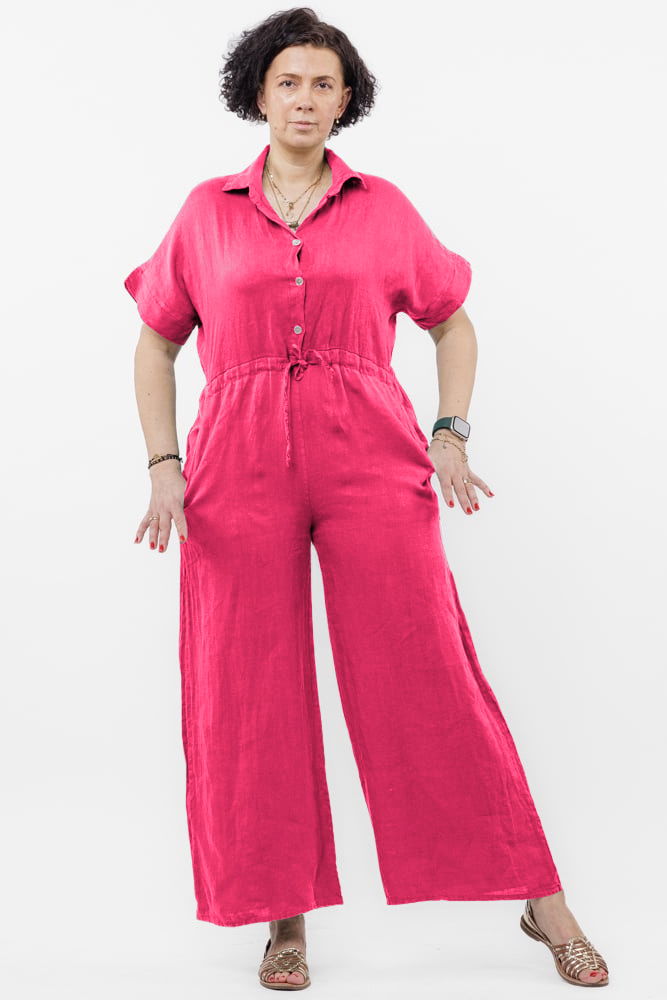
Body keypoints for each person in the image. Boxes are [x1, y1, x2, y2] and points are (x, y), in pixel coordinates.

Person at [124, 6, 609, 991]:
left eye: (323, 84)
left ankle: (541, 897)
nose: (305, 99)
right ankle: (283, 920)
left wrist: (449, 428)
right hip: (235, 469)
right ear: (258, 93)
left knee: (427, 670)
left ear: (346, 100)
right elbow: (156, 341)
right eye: (288, 82)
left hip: (371, 460)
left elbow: (451, 321)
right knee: (248, 691)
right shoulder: (205, 212)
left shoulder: (383, 208)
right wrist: (162, 462)